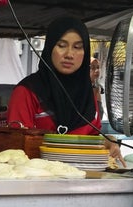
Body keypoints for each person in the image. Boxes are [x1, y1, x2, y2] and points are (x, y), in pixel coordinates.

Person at [7, 17, 125, 166]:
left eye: (77, 47)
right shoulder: (27, 92)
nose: (69, 54)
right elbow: (15, 150)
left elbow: (93, 136)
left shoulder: (87, 93)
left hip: (85, 180)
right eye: (62, 45)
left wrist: (108, 141)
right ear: (50, 47)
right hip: (38, 182)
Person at [90, 56, 104, 121]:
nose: (97, 70)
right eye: (92, 68)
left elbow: (100, 111)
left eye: (98, 67)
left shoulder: (96, 87)